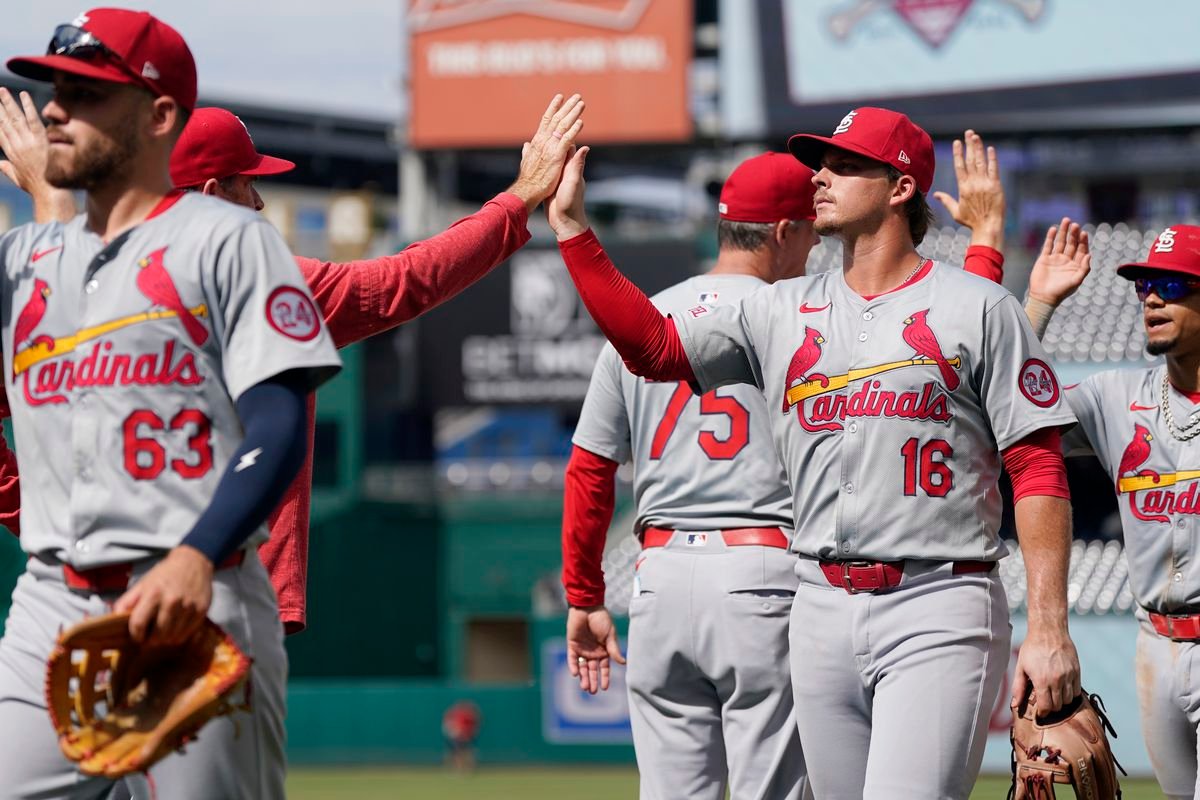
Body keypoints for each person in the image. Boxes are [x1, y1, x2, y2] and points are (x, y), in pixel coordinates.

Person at [548, 106, 1081, 799]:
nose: (821, 176)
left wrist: (1049, 627)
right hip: (817, 601)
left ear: (899, 188)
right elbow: (650, 348)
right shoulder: (778, 308)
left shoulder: (978, 307)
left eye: (845, 164)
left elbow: (1038, 465)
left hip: (937, 596)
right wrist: (571, 231)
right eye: (820, 162)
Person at [0, 91, 586, 634]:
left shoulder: (83, 283)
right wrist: (519, 198)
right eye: (245, 184)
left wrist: (39, 516)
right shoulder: (260, 278)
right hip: (221, 588)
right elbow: (403, 282)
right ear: (209, 192)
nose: (258, 200)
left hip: (97, 584)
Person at [0, 8, 342, 798]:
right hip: (51, 598)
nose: (55, 108)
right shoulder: (23, 261)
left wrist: (198, 551)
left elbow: (279, 414)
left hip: (198, 591)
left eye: (86, 92)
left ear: (159, 116)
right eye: (55, 88)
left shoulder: (229, 242)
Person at [1021, 220, 1200, 800]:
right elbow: (1003, 416)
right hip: (1156, 642)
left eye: (1172, 285)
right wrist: (1040, 303)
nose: (1151, 296)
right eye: (1145, 283)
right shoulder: (1114, 397)